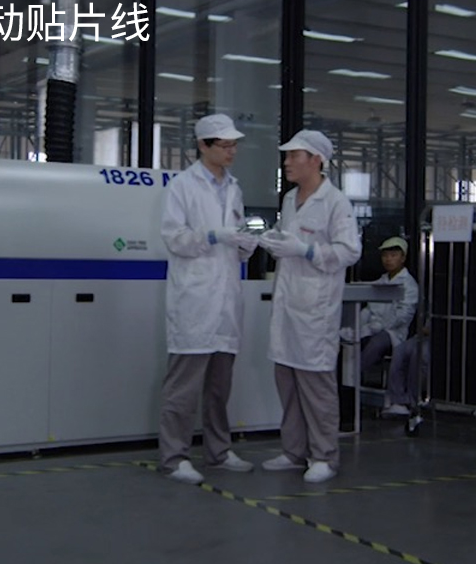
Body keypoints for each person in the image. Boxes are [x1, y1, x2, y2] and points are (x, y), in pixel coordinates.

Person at [156, 113, 261, 485]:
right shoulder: (182, 186)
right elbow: (174, 238)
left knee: (219, 388)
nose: (232, 151)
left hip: (226, 302)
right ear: (203, 145)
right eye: (225, 145)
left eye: (234, 145)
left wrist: (246, 243)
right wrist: (214, 235)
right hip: (195, 302)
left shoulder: (234, 188)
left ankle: (218, 451)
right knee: (183, 389)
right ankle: (174, 458)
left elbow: (236, 238)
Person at [258, 129, 362, 483]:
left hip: (315, 309)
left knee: (316, 387)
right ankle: (294, 451)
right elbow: (289, 238)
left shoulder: (335, 202)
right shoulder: (290, 199)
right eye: (286, 156)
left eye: (294, 156)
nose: (287, 162)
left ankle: (324, 456)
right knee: (286, 381)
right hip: (288, 304)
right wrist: (275, 241)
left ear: (316, 159)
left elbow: (349, 251)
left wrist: (306, 251)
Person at [349, 236, 420, 417]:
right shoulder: (380, 281)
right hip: (373, 329)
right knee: (350, 342)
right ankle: (348, 384)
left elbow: (402, 316)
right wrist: (357, 326)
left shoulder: (409, 285)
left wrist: (378, 326)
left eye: (393, 255)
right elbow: (369, 310)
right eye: (385, 256)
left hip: (394, 333)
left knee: (377, 342)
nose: (388, 259)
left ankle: (352, 378)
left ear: (403, 258)